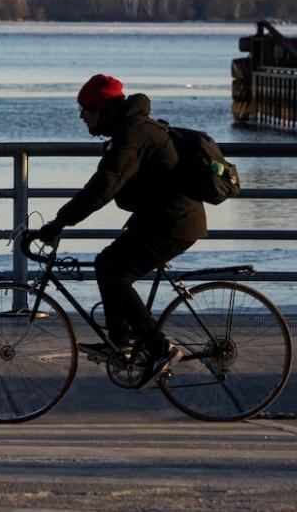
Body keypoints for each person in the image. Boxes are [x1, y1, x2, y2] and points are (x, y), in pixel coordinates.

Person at [38, 74, 205, 391]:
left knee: (117, 274)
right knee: (106, 263)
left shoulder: (132, 133)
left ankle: (160, 348)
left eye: (85, 109)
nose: (81, 116)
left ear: (100, 108)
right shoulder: (128, 130)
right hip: (157, 220)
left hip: (174, 223)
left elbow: (103, 187)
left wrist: (58, 223)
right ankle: (121, 342)